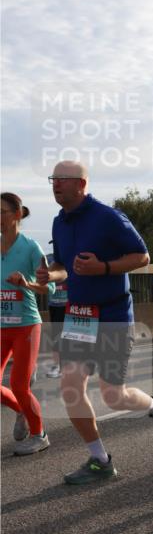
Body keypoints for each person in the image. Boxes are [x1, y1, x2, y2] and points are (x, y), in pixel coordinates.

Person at [36, 160, 153, 484]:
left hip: (113, 315)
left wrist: (102, 268)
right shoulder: (59, 221)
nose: (56, 184)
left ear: (81, 184)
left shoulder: (109, 217)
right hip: (79, 315)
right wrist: (51, 274)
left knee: (114, 395)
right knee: (70, 388)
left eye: (62, 179)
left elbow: (142, 257)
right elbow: (63, 265)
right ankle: (100, 460)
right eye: (52, 179)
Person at [1, 192, 51, 455]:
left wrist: (26, 283)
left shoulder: (31, 247)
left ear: (17, 215)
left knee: (19, 383)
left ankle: (39, 434)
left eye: (2, 212)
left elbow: (48, 288)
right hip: (1, 326)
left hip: (26, 325)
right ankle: (21, 409)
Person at [45, 271, 68, 377]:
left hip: (68, 304)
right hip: (54, 304)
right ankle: (57, 366)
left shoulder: (71, 258)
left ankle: (62, 366)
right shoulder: (48, 260)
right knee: (56, 335)